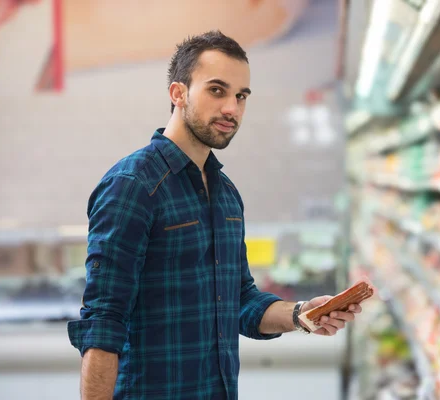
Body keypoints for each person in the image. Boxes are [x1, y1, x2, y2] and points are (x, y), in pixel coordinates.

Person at [67, 30, 362, 400]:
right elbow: (102, 323)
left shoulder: (225, 194)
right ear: (178, 93)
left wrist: (301, 313)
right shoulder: (134, 186)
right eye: (217, 90)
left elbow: (239, 301)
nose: (232, 109)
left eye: (241, 96)